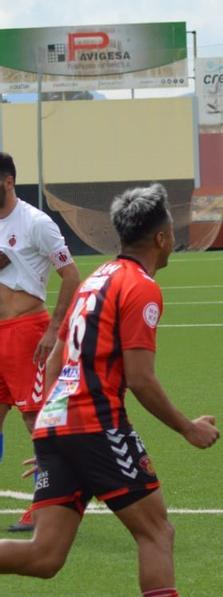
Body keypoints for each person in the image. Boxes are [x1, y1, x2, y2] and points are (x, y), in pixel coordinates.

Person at [0, 183, 220, 597]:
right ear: (161, 238)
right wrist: (188, 427)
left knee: (44, 556)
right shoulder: (141, 287)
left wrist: (53, 433)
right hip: (96, 424)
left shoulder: (96, 278)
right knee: (157, 532)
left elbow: (58, 357)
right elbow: (140, 379)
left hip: (63, 424)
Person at [0, 152, 82, 533]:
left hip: (26, 331)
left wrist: (54, 331)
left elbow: (71, 275)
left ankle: (45, 504)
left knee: (35, 418)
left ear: (9, 181)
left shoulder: (36, 222)